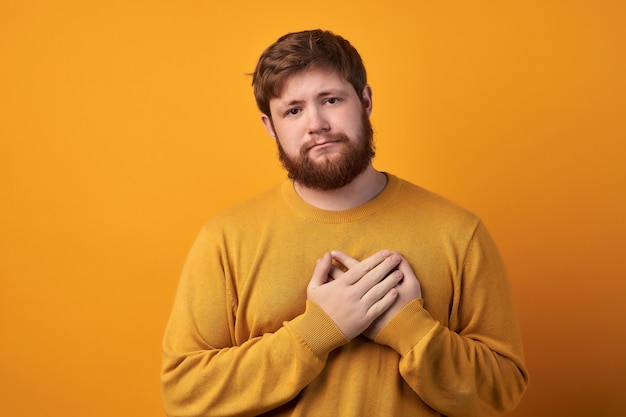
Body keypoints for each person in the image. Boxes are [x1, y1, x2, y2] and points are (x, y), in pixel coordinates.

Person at [161, 29, 529, 417]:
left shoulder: (459, 233)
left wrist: (410, 328)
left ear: (365, 101)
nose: (316, 123)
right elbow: (184, 395)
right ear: (270, 126)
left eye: (331, 100)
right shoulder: (225, 239)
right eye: (293, 110)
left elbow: (501, 393)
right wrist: (317, 332)